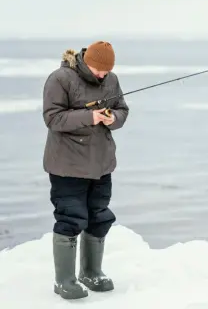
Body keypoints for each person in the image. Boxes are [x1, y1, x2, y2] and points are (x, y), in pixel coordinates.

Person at [42, 41, 129, 299]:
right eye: (98, 69)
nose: (103, 75)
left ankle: (91, 272)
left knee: (99, 216)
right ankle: (64, 280)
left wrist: (114, 118)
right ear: (85, 61)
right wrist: (90, 117)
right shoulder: (60, 79)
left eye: (107, 70)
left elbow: (123, 109)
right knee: (71, 218)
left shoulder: (111, 79)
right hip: (67, 166)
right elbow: (53, 118)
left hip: (101, 164)